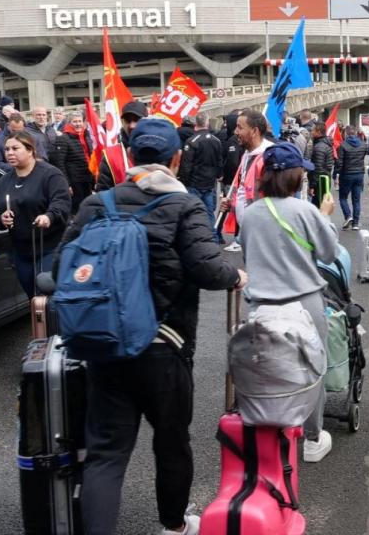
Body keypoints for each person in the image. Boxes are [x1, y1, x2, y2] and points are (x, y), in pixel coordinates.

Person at [57, 117, 244, 535]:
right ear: (176, 159)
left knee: (106, 453)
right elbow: (209, 270)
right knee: (171, 441)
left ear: (132, 156)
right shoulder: (183, 205)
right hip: (165, 346)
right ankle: (174, 526)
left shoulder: (97, 203)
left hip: (103, 344)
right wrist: (236, 277)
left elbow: (59, 269)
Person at [239, 141, 339, 463]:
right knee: (311, 370)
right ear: (297, 177)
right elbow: (327, 253)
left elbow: (247, 254)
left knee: (264, 371)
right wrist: (324, 216)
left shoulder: (251, 214)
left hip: (261, 306)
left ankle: (267, 434)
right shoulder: (306, 211)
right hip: (304, 304)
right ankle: (311, 439)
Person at [0, 132, 71, 298]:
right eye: (6, 149)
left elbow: (61, 202)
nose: (10, 153)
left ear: (30, 150)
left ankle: (57, 323)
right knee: (33, 299)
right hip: (21, 251)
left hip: (50, 247)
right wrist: (1, 218)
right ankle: (40, 324)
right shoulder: (3, 182)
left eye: (15, 148)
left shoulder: (50, 174)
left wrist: (49, 216)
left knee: (47, 295)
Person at [219, 110, 273, 253]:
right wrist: (233, 204)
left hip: (264, 238)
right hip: (249, 234)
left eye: (240, 127)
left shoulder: (269, 157)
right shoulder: (247, 154)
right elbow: (246, 191)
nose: (235, 131)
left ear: (254, 131)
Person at [178, 113, 225, 243]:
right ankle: (212, 238)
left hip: (194, 183)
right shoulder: (216, 140)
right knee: (209, 212)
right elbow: (219, 161)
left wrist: (183, 182)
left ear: (195, 124)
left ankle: (195, 239)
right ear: (207, 122)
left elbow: (186, 165)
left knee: (193, 213)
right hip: (209, 184)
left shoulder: (192, 141)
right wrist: (219, 174)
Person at [95, 100, 148, 191]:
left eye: (137, 119)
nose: (132, 125)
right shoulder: (110, 155)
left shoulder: (160, 150)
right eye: (128, 120)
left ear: (147, 120)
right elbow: (103, 193)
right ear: (122, 122)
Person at [51, 111, 95, 213]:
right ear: (69, 123)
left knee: (88, 205)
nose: (78, 124)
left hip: (87, 177)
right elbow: (60, 163)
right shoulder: (63, 138)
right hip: (75, 180)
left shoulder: (86, 135)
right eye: (75, 121)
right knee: (77, 208)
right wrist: (67, 183)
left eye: (80, 121)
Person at [334, 124, 367, 230]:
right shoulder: (363, 145)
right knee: (356, 200)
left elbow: (339, 163)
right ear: (356, 133)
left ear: (346, 133)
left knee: (343, 197)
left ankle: (348, 216)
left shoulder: (343, 146)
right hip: (359, 175)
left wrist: (335, 175)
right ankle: (356, 224)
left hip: (347, 175)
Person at [308, 122, 334, 207]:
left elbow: (318, 168)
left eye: (313, 130)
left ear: (318, 132)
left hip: (320, 182)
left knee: (319, 207)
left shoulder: (319, 147)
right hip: (324, 179)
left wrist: (312, 186)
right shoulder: (325, 144)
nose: (311, 132)